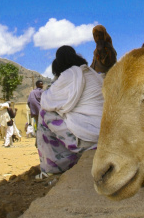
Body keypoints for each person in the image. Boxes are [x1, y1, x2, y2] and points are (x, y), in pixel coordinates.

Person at [36, 45, 104, 179]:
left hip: (89, 140)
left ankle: (53, 167)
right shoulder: (92, 73)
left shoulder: (70, 74)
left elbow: (46, 100)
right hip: (106, 135)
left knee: (45, 113)